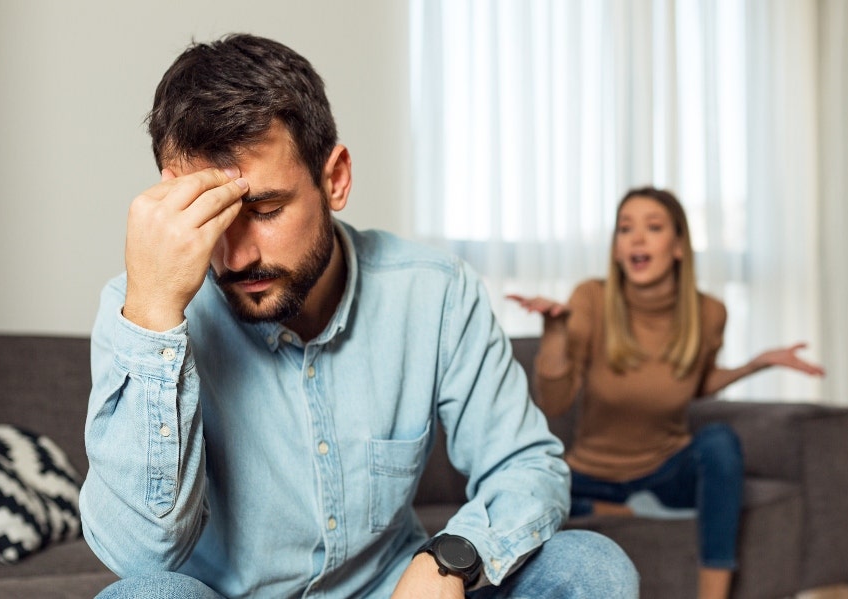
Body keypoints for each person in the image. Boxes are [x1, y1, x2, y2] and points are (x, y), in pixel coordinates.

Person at [79, 34, 638, 599]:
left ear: (335, 179)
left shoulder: (434, 293)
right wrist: (153, 317)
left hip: (391, 591)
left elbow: (526, 465)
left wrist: (451, 559)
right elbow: (141, 560)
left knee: (589, 566)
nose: (238, 256)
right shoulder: (143, 310)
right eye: (209, 219)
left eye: (265, 210)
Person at [508, 187, 824, 599]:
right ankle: (612, 509)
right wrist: (554, 333)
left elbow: (697, 381)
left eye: (652, 227)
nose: (636, 238)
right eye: (625, 229)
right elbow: (554, 402)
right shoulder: (592, 298)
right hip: (590, 475)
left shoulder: (709, 313)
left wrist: (754, 364)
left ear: (677, 246)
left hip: (665, 471)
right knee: (521, 485)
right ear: (617, 249)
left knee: (719, 442)